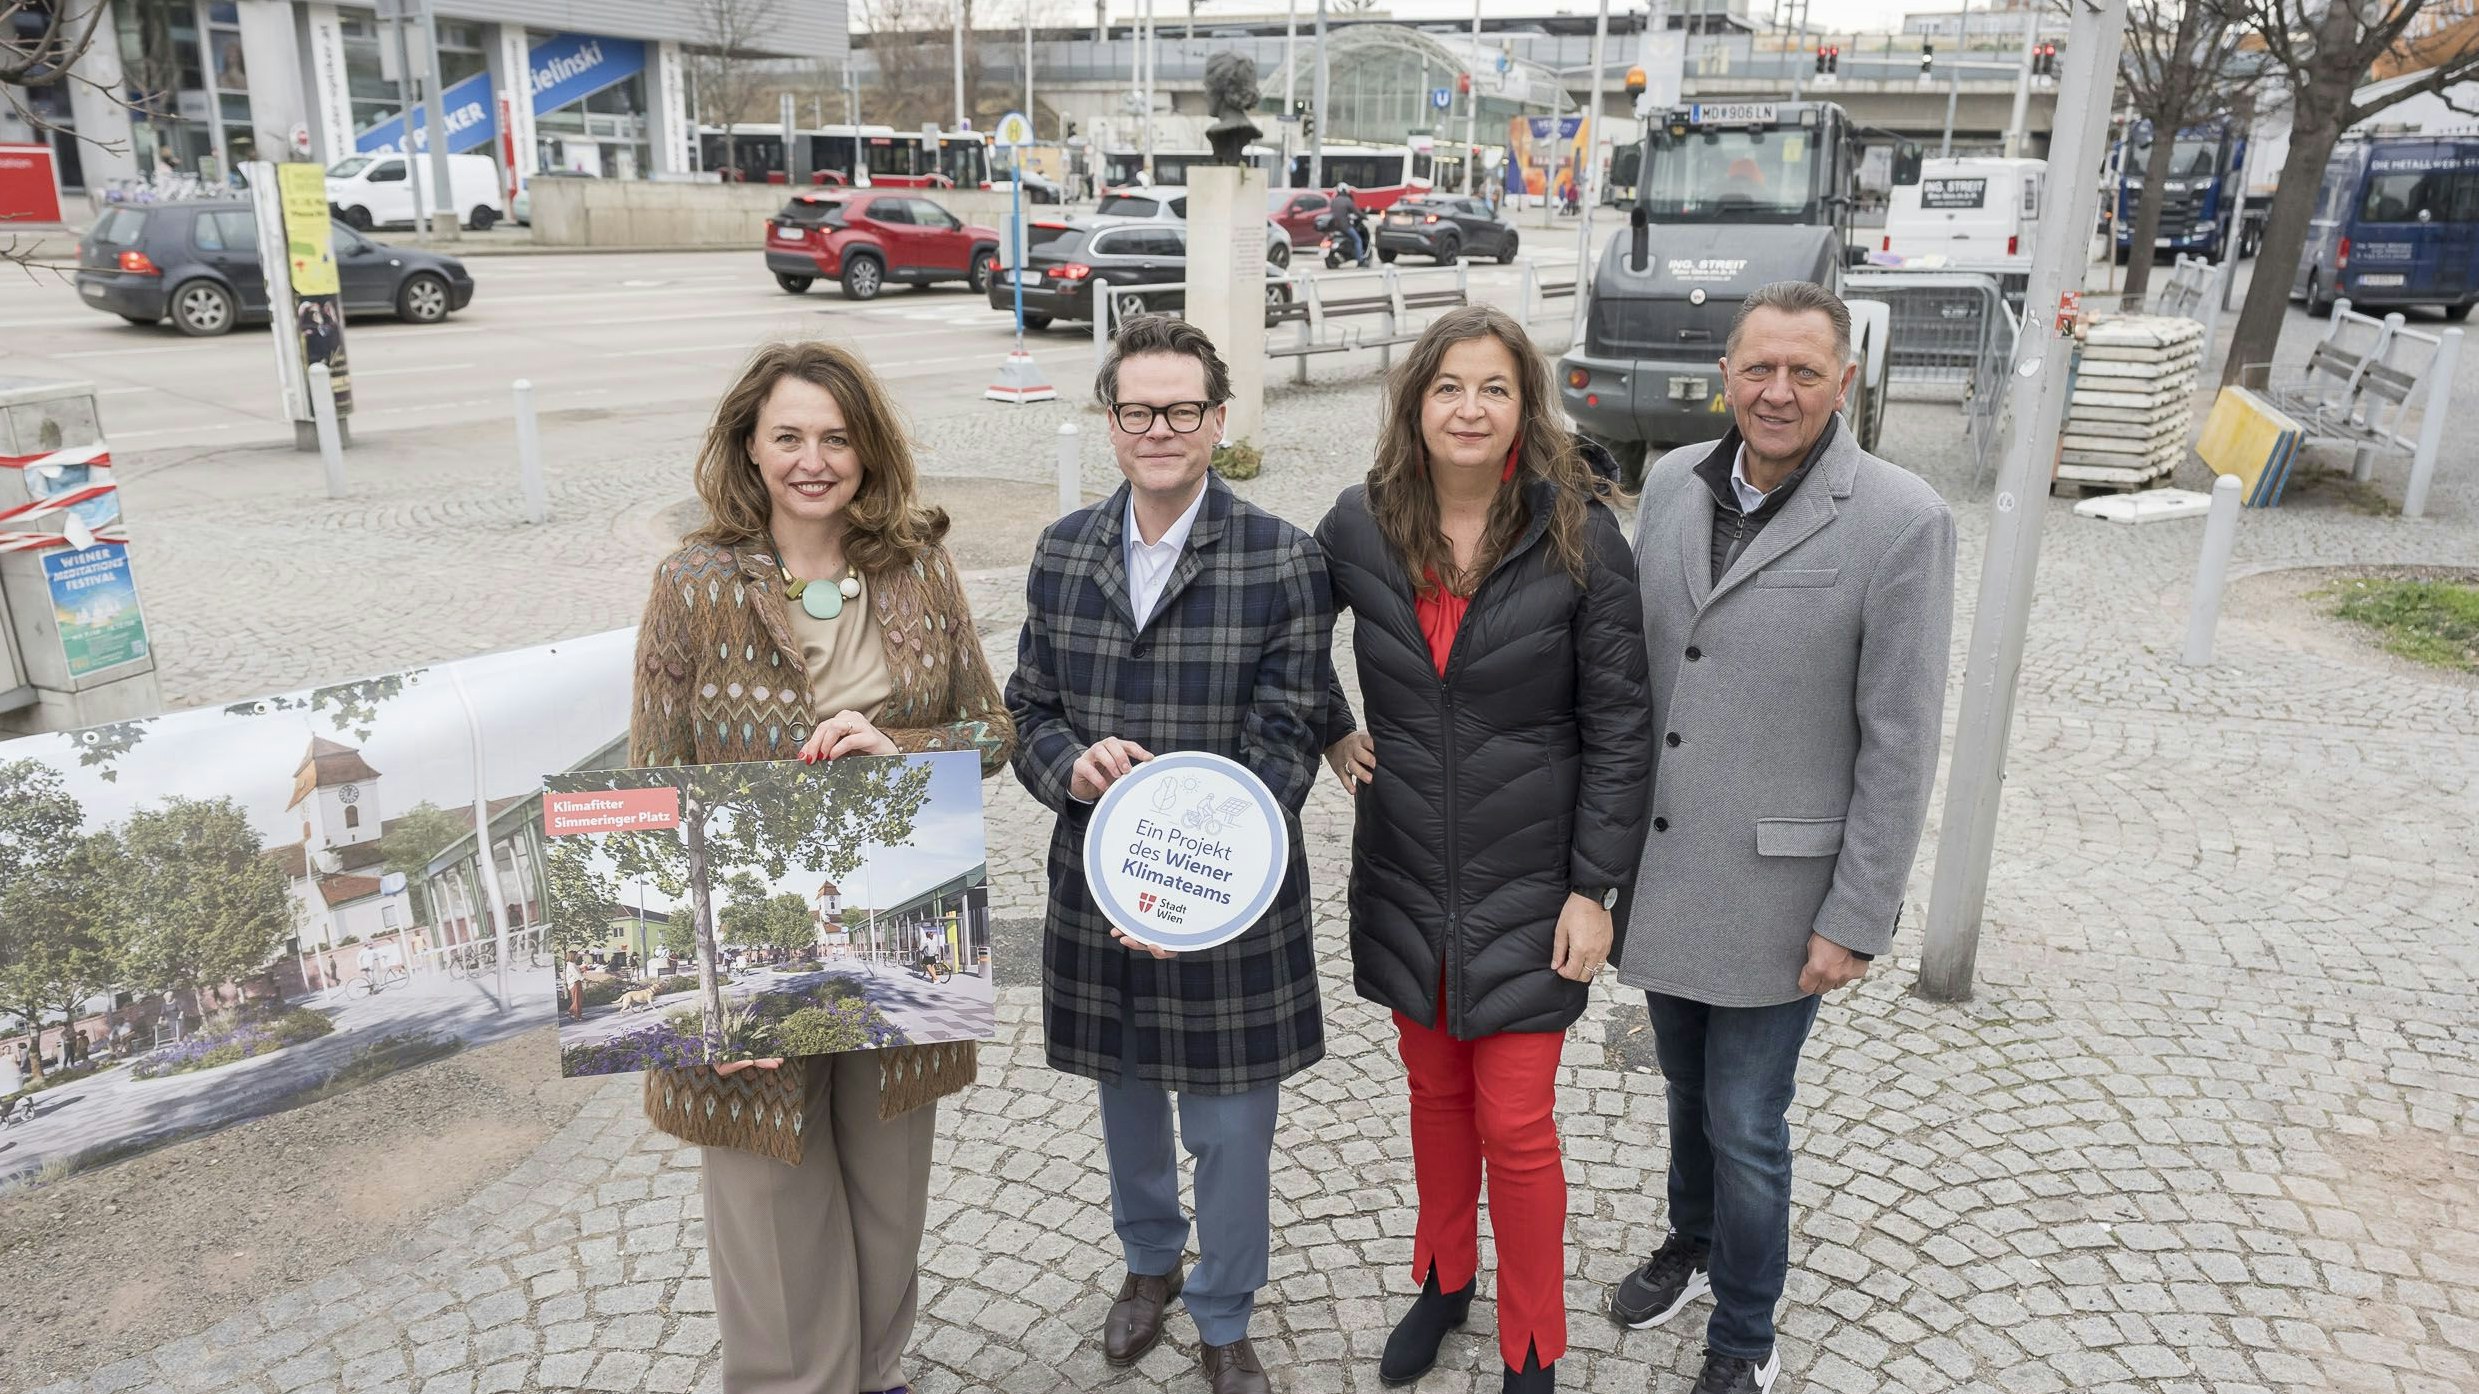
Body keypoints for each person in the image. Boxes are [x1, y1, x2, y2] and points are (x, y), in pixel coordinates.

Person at [630, 339, 1015, 1394]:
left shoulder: (917, 567)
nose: (813, 458)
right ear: (748, 448)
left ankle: (875, 1370)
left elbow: (992, 727)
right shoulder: (694, 582)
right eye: (788, 435)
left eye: (835, 436)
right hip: (752, 941)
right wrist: (700, 994)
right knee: (767, 1191)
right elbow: (651, 782)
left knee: (889, 1187)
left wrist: (908, 752)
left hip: (897, 925)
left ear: (867, 448)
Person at [1607, 281, 1956, 1394]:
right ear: (1725, 372)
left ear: (1843, 380)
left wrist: (1856, 915)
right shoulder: (1667, 483)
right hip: (1664, 871)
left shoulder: (1901, 518)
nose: (1778, 390)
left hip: (1780, 893)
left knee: (1747, 1117)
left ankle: (1744, 1333)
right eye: (1759, 367)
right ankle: (1691, 1239)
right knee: (1680, 1087)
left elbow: (1898, 739)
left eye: (1805, 370)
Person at [1315, 306, 1651, 1393]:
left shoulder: (1582, 532)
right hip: (1407, 867)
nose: (1469, 406)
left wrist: (1595, 888)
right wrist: (1328, 723)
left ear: (1524, 407)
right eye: (1448, 385)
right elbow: (1275, 638)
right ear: (1416, 403)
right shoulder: (1358, 524)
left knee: (1517, 1120)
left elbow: (1620, 725)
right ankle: (1443, 1274)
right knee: (1433, 1094)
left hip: (1530, 877)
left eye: (1494, 387)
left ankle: (1531, 1342)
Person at [1006, 313, 1337, 1394]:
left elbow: (1286, 736)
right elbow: (1029, 708)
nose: (1159, 427)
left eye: (1180, 409)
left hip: (1222, 900)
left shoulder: (1282, 556)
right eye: (1137, 409)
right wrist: (1071, 764)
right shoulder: (1065, 550)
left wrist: (1189, 885)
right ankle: (1148, 1261)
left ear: (1216, 420)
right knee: (1129, 1097)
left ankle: (1225, 1308)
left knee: (1234, 1129)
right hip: (1096, 893)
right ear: (1110, 422)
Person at [1331, 184, 1369, 267]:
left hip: (1335, 226)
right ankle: (1360, 261)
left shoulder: (1334, 200)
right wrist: (1365, 216)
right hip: (1345, 226)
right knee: (1358, 240)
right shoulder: (1347, 200)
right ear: (1345, 191)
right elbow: (1357, 212)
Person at [563, 951, 586, 1020]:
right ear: (573, 956)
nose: (577, 957)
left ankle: (571, 1012)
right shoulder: (571, 965)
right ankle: (577, 1016)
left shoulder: (572, 964)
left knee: (578, 999)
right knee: (577, 1000)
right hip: (575, 983)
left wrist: (581, 970)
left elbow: (576, 972)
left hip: (575, 983)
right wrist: (584, 979)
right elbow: (577, 975)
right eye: (576, 955)